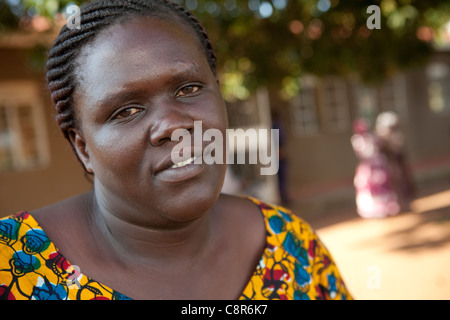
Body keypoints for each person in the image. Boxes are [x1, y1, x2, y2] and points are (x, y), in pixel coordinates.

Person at [0, 0, 351, 300]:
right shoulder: (10, 264)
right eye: (126, 111)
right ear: (83, 148)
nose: (173, 124)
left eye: (188, 88)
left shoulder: (293, 244)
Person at [351, 118, 400, 218]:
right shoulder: (357, 140)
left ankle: (386, 207)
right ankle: (374, 210)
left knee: (383, 186)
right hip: (369, 168)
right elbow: (365, 153)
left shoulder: (372, 137)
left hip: (378, 165)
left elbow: (382, 143)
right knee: (371, 188)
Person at [375, 111, 415, 212]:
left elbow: (397, 150)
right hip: (387, 165)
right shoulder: (383, 139)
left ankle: (405, 203)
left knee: (403, 184)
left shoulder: (396, 137)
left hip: (397, 164)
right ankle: (395, 205)